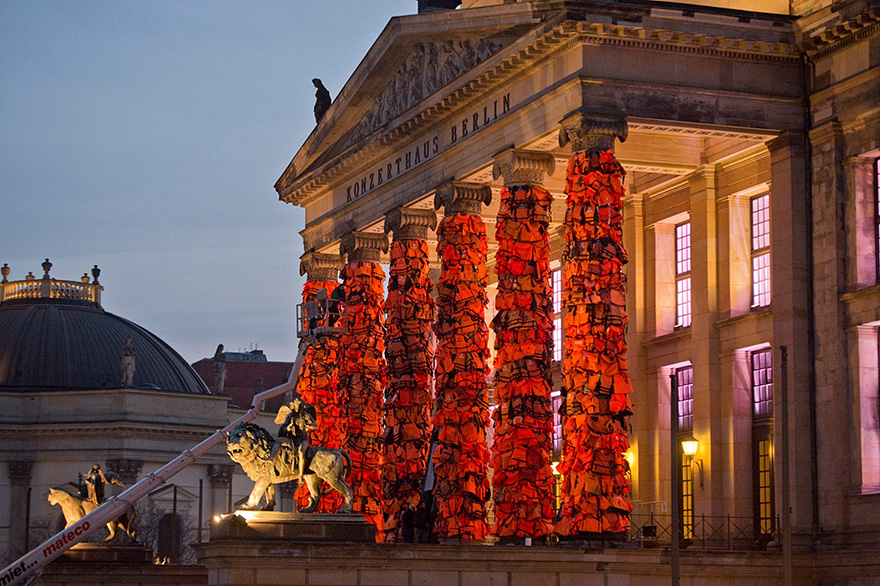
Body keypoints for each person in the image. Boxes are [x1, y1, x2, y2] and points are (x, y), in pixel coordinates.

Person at [273, 395, 318, 483]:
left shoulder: (306, 415)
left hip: (303, 438)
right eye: (296, 406)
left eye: (299, 406)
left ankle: (300, 475)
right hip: (292, 438)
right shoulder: (290, 416)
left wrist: (308, 425)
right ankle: (272, 460)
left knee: (301, 452)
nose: (297, 408)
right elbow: (285, 426)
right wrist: (289, 427)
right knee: (279, 443)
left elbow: (315, 425)